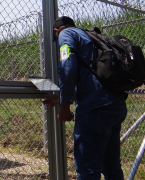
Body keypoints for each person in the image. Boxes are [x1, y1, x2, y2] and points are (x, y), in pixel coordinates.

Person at [42, 16, 127, 180]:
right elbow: (90, 76)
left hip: (95, 108)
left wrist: (65, 105)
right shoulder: (90, 37)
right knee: (111, 167)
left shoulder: (65, 35)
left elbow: (67, 67)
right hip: (115, 104)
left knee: (88, 170)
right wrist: (61, 97)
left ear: (55, 31)